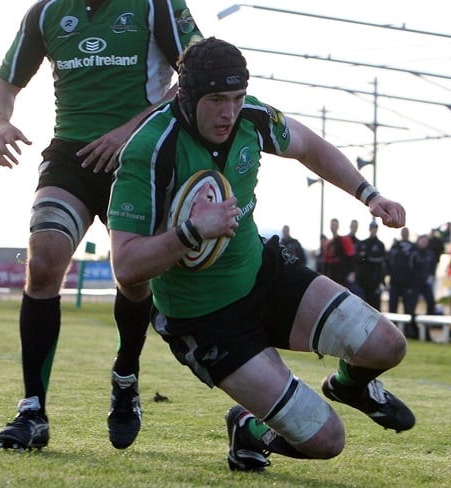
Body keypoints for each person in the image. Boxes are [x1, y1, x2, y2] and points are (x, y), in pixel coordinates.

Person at [108, 38, 414, 471]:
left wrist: (369, 195)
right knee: (327, 441)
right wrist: (190, 232)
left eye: (235, 98)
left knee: (388, 345)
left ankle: (350, 386)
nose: (229, 113)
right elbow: (125, 268)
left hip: (262, 275)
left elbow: (310, 146)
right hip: (205, 320)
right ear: (186, 95)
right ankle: (248, 429)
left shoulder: (252, 117)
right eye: (216, 100)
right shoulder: (151, 150)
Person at [0, 0, 203, 451]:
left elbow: (198, 77)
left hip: (141, 155)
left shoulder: (157, 2)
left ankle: (126, 377)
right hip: (70, 156)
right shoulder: (46, 13)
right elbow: (2, 82)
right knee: (43, 260)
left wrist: (130, 131)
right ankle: (32, 409)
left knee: (133, 279)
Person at [355, 221, 387, 311]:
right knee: (362, 306)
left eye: (375, 229)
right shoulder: (363, 243)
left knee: (375, 307)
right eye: (372, 228)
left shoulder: (380, 245)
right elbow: (357, 259)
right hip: (362, 281)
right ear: (369, 229)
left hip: (374, 281)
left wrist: (367, 257)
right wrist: (367, 258)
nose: (373, 230)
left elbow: (381, 261)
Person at [386, 227, 417, 317]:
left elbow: (416, 265)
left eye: (406, 232)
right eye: (403, 232)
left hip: (408, 283)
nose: (404, 234)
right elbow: (388, 261)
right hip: (394, 282)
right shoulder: (395, 246)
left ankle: (408, 330)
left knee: (408, 310)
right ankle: (391, 328)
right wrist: (388, 274)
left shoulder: (413, 247)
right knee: (392, 308)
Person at [321, 218, 356, 287]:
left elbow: (351, 257)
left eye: (335, 225)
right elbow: (325, 263)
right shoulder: (328, 243)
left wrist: (352, 273)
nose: (333, 227)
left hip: (343, 277)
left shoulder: (344, 240)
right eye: (332, 225)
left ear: (337, 226)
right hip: (331, 277)